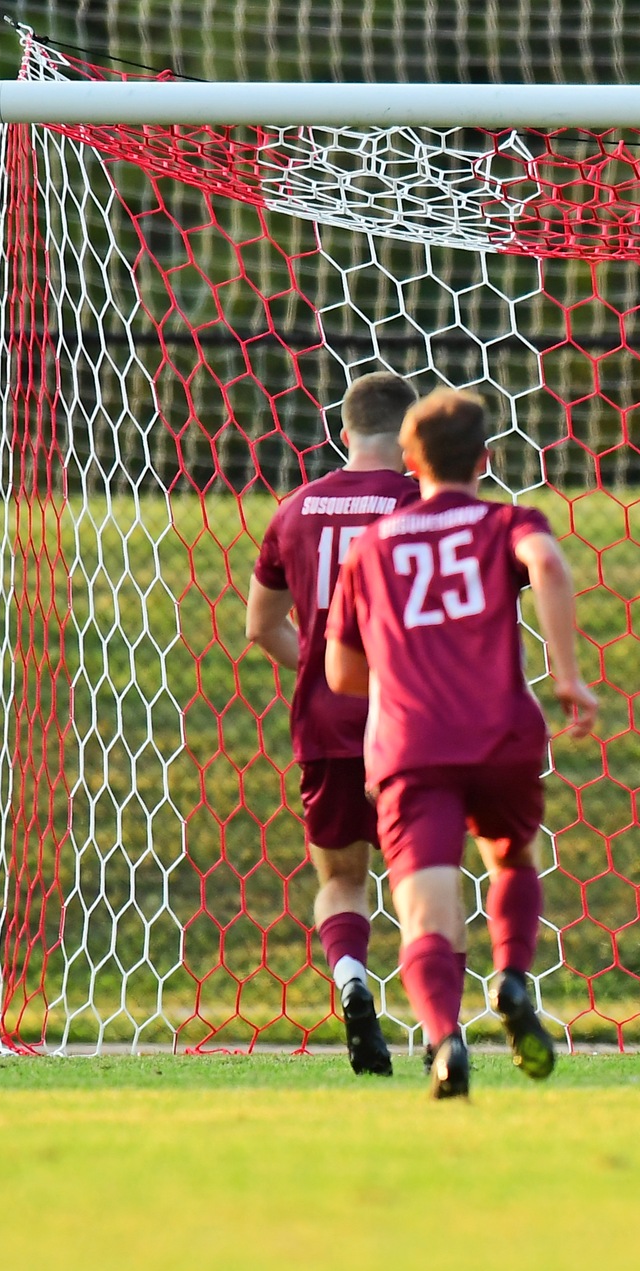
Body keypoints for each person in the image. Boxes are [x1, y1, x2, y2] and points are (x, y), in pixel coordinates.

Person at [326, 387, 598, 1098]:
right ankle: (510, 975)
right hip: (502, 733)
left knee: (425, 910)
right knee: (511, 857)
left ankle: (446, 1040)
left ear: (408, 459)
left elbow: (342, 673)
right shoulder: (508, 520)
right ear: (486, 458)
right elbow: (547, 563)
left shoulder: (370, 550)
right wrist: (567, 677)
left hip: (412, 745)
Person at [247, 371, 421, 1075]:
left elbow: (260, 627)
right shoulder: (424, 500)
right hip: (415, 721)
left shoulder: (293, 510)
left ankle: (352, 982)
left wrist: (324, 670)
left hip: (324, 720)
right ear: (410, 438)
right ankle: (439, 1026)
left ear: (343, 432)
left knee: (343, 879)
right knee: (423, 875)